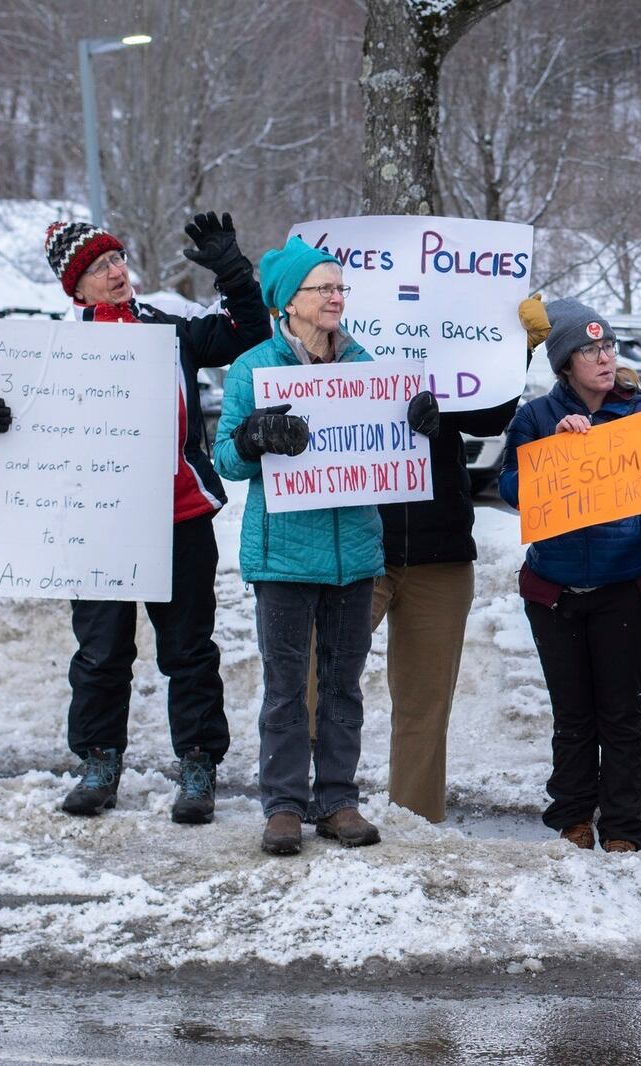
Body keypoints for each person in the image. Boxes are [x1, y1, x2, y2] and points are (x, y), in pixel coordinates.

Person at [0, 214, 268, 824]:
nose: (116, 273)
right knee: (101, 649)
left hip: (179, 515)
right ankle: (99, 761)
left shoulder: (168, 332)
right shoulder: (49, 349)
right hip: (97, 520)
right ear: (75, 286)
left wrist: (233, 272)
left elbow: (247, 333)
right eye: (99, 267)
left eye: (117, 261)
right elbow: (26, 420)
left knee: (188, 649)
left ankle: (197, 765)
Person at [215, 236, 432, 855]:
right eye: (324, 288)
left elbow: (394, 442)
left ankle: (336, 798)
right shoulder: (253, 367)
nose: (337, 297)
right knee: (287, 685)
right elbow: (226, 458)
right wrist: (256, 437)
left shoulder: (368, 367)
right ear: (289, 303)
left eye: (340, 288)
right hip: (284, 554)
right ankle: (283, 804)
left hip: (355, 552)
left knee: (344, 683)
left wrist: (415, 421)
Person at [301, 297, 548, 824]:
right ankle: (300, 802)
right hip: (358, 547)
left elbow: (490, 412)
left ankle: (415, 821)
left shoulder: (442, 350)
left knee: (425, 704)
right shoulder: (335, 352)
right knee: (314, 680)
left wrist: (516, 348)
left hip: (441, 552)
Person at [500, 299, 641, 855]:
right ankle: (574, 817)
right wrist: (553, 452)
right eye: (590, 350)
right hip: (555, 591)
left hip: (627, 586)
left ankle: (625, 827)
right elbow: (513, 493)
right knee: (572, 712)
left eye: (608, 347)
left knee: (621, 711)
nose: (605, 358)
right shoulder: (535, 418)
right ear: (565, 363)